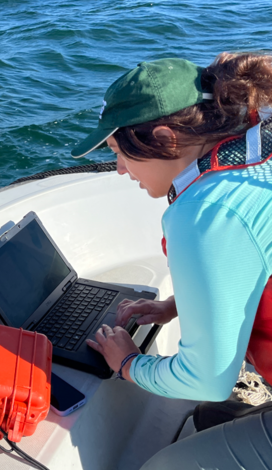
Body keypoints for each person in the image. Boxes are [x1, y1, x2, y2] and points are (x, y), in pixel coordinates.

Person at [70, 53, 272, 469]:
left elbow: (207, 380)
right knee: (210, 420)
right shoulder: (256, 146)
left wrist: (127, 363)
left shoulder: (206, 211)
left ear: (166, 139)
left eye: (120, 152)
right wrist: (175, 306)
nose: (121, 170)